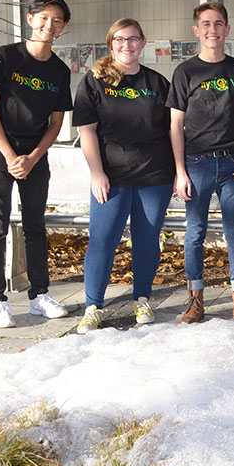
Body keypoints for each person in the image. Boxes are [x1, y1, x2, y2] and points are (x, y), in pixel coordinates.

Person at [72, 18, 173, 333]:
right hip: (111, 178)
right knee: (102, 240)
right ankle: (93, 306)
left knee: (146, 240)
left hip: (154, 176)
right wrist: (97, 172)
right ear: (110, 43)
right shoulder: (94, 82)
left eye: (132, 39)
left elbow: (173, 129)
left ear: (143, 43)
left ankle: (142, 298)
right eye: (119, 39)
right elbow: (86, 130)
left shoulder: (157, 83)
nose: (126, 45)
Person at [0, 0, 72, 329]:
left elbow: (56, 124)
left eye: (58, 20)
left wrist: (32, 158)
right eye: (44, 18)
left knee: (35, 226)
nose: (50, 25)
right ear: (31, 19)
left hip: (35, 156)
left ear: (62, 28)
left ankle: (39, 296)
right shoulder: (4, 57)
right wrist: (9, 155)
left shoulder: (60, 71)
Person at [168, 2, 234, 323]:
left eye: (218, 24)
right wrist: (180, 171)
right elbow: (176, 125)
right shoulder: (185, 72)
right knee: (195, 234)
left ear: (227, 29)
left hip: (232, 163)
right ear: (196, 30)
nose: (212, 30)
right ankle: (195, 301)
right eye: (206, 24)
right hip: (197, 163)